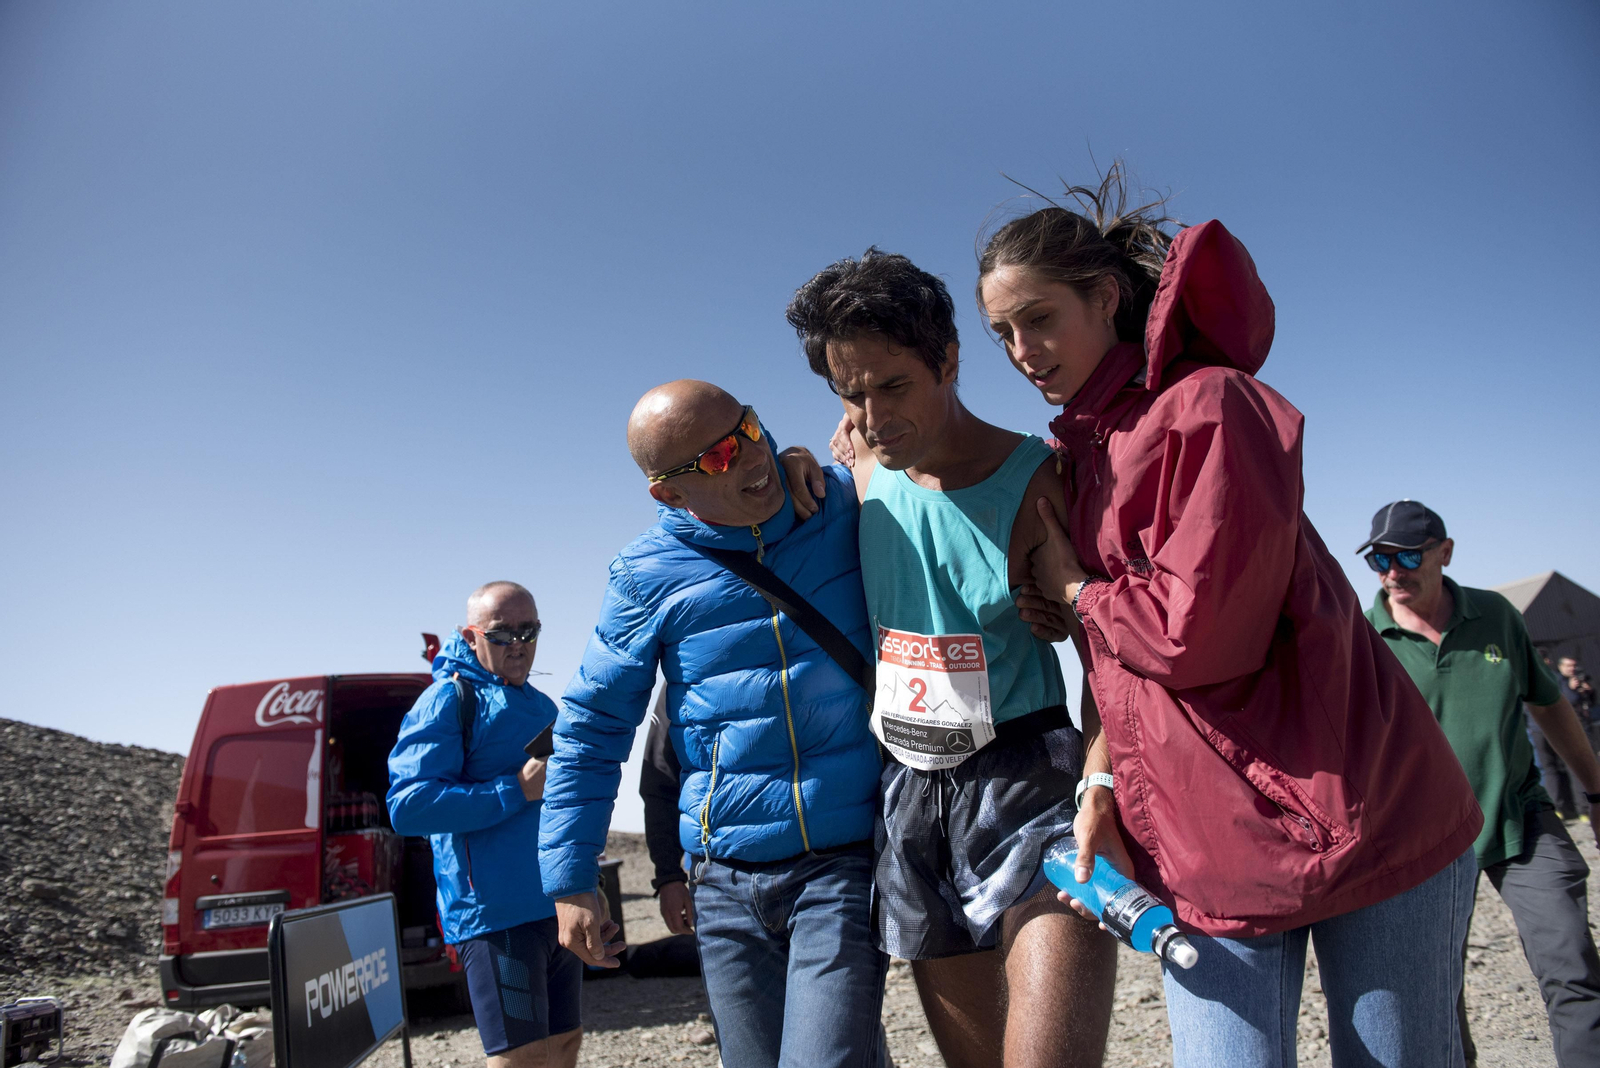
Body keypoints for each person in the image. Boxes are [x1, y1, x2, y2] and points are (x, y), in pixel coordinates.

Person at [974, 167, 1484, 1067]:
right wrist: (1100, 787)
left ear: (1104, 298)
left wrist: (1080, 589)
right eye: (1001, 333)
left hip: (1365, 807)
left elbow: (1199, 633)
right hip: (1210, 842)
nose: (1021, 350)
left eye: (1039, 318)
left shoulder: (1210, 404)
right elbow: (1123, 675)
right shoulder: (1079, 457)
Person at [786, 249, 1115, 1068]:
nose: (870, 415)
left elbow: (1110, 663)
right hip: (907, 798)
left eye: (892, 386)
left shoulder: (1040, 478)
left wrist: (1103, 787)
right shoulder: (855, 472)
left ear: (950, 361)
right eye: (849, 393)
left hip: (1032, 788)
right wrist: (793, 461)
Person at [537, 381, 890, 1068]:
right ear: (668, 493)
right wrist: (570, 880)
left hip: (843, 866)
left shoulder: (838, 503)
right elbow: (591, 729)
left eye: (750, 429)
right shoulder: (645, 576)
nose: (749, 458)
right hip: (723, 884)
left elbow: (899, 428)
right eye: (719, 455)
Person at [1360, 499, 1600, 1067]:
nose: (1394, 571)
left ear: (1445, 553)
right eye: (1380, 559)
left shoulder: (1496, 616)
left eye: (1409, 555)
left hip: (1521, 821)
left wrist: (1596, 792)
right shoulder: (1364, 639)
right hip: (1425, 846)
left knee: (1573, 968)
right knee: (1438, 1000)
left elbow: (1549, 706)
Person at [388, 582, 583, 1068]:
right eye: (501, 634)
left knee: (565, 1043)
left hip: (553, 905)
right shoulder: (448, 701)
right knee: (522, 1059)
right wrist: (514, 789)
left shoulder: (541, 706)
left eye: (528, 630)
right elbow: (409, 806)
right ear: (470, 636)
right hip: (495, 916)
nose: (518, 644)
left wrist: (584, 884)